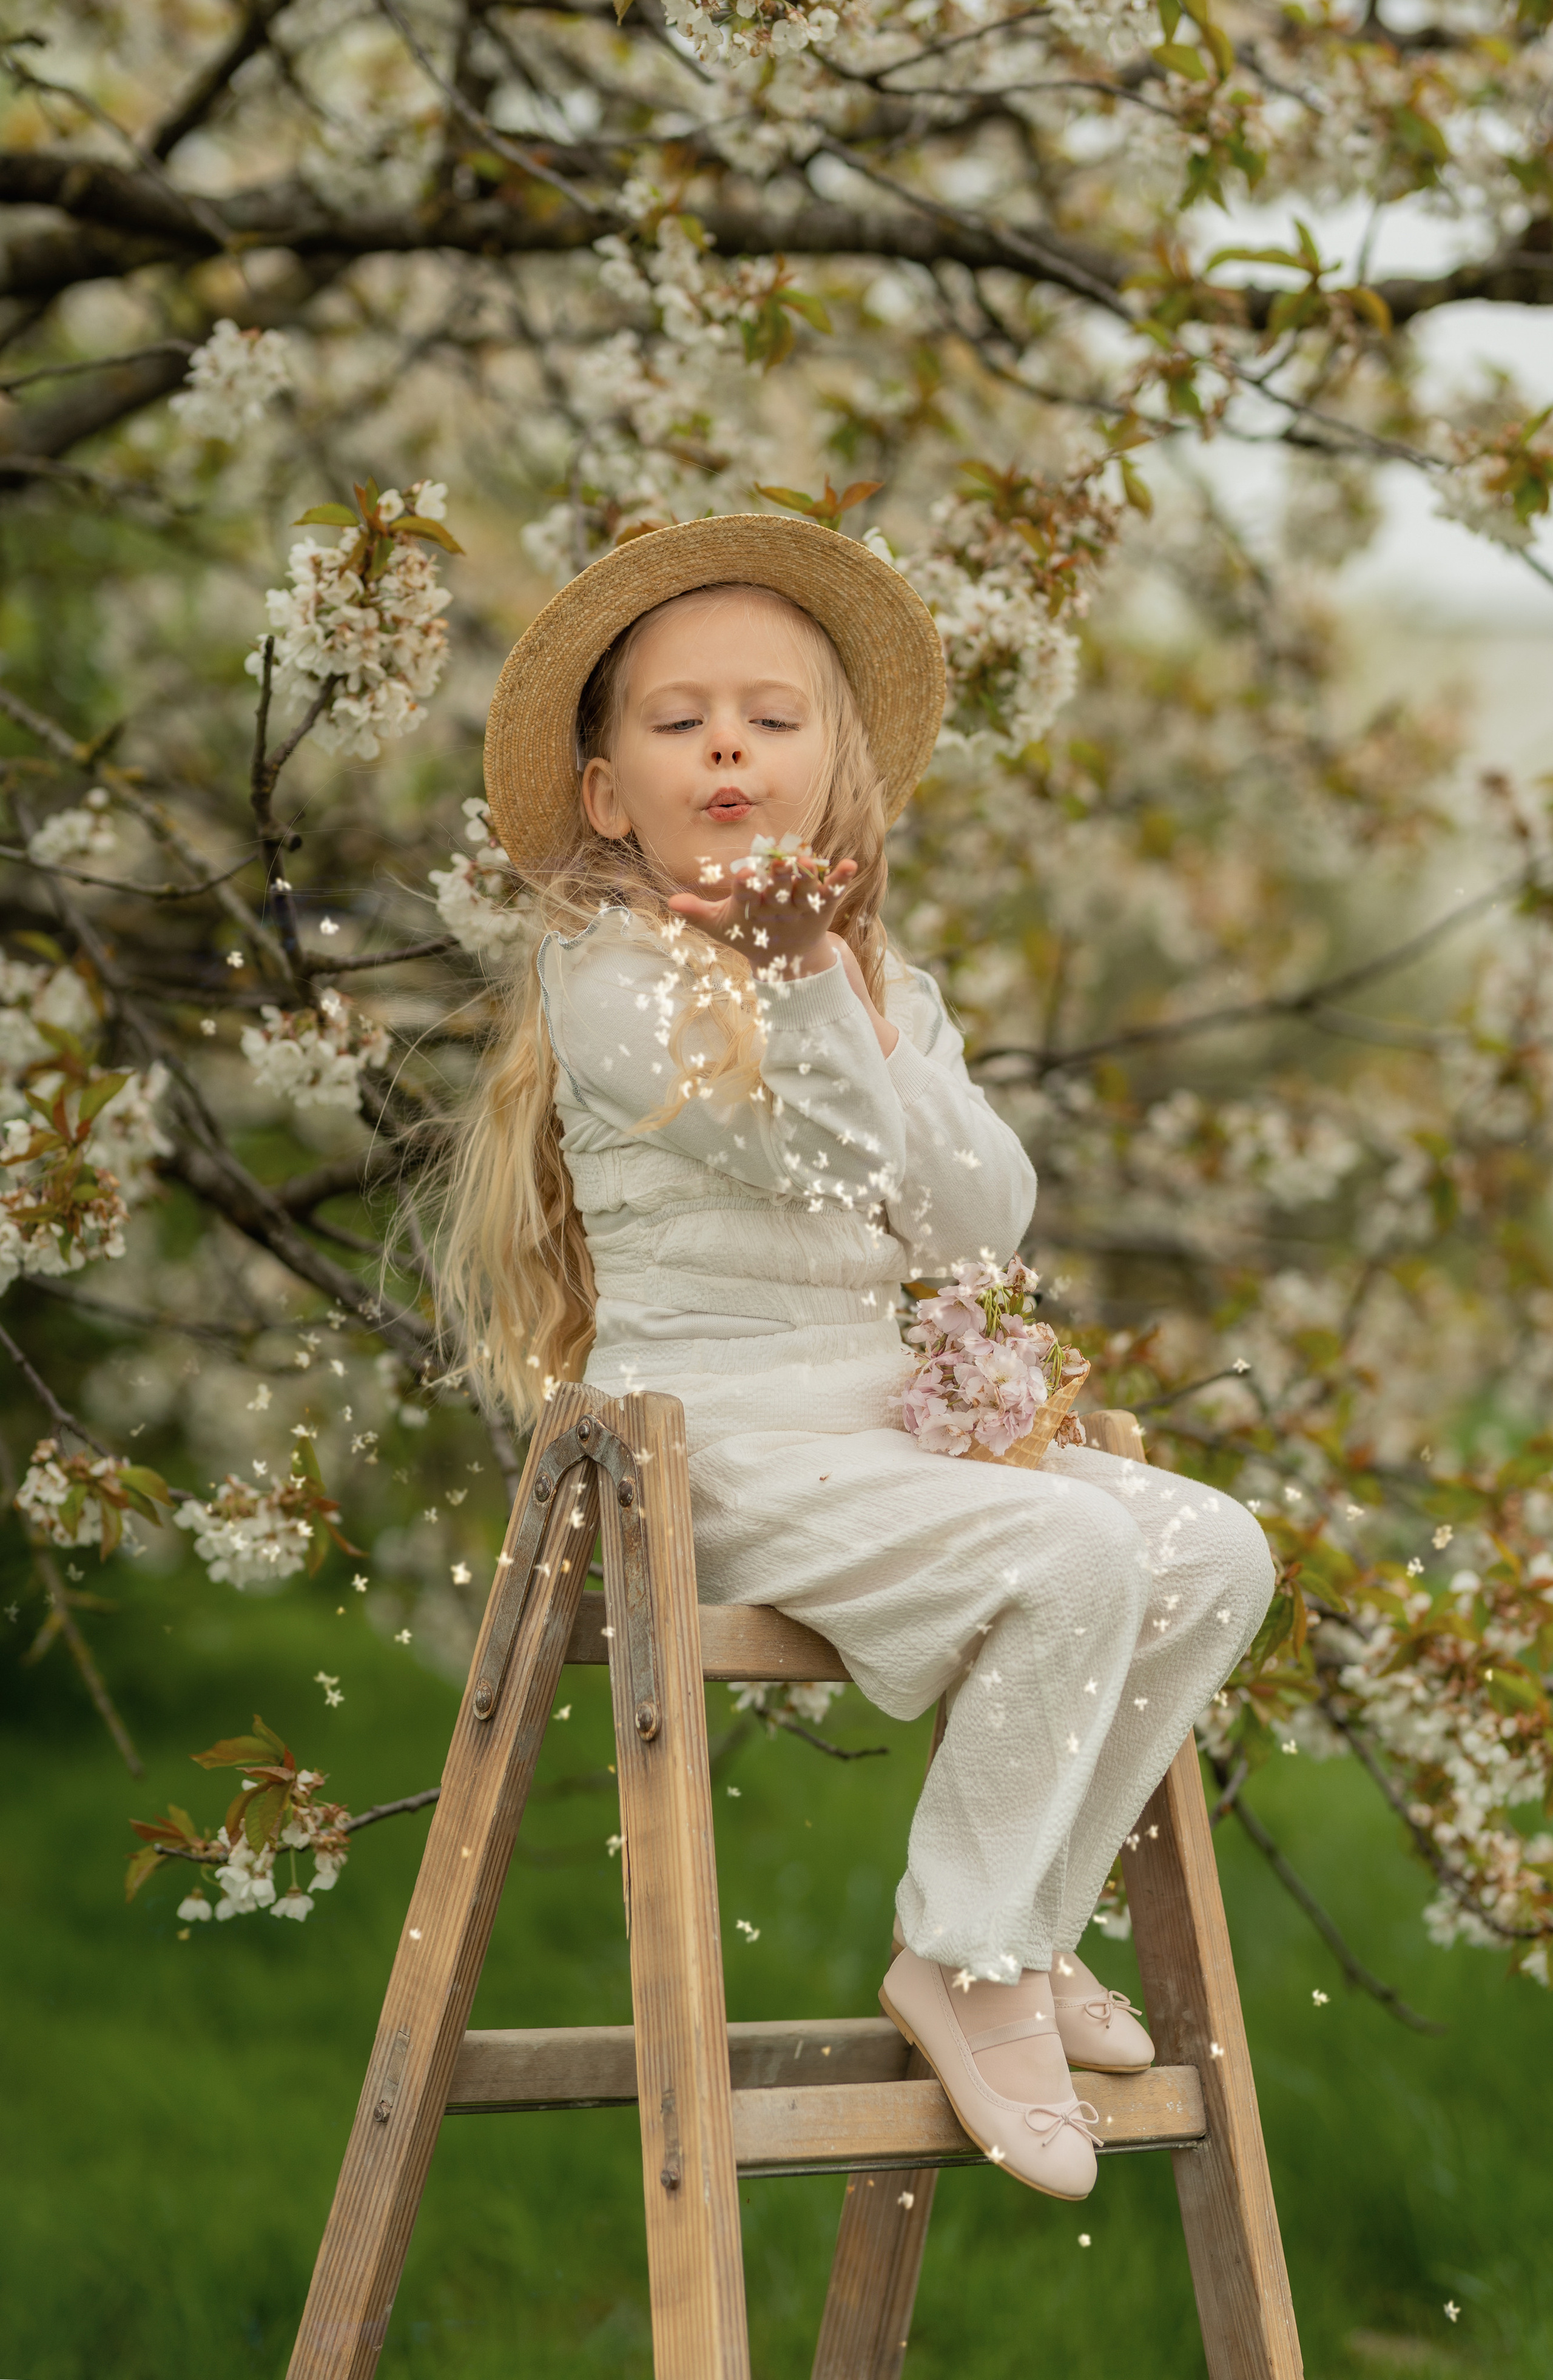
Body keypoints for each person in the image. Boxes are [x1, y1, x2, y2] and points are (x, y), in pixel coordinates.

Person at [439, 514, 1275, 2202]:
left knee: (1209, 1546)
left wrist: (841, 981)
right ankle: (961, 1951)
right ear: (610, 792)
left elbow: (975, 1217)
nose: (728, 743)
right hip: (715, 1446)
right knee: (1069, 1548)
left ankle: (1021, 1930)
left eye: (772, 715)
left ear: (839, 769)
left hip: (874, 1423)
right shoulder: (606, 976)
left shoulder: (885, 978)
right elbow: (804, 1158)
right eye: (679, 723)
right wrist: (808, 987)